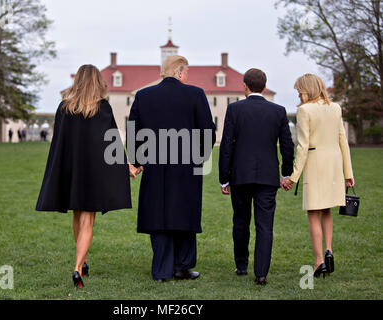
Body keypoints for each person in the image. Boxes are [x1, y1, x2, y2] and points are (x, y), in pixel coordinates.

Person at [35, 64, 138, 288]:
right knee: (87, 220)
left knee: (77, 216)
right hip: (93, 174)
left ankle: (83, 262)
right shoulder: (103, 109)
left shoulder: (64, 108)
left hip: (72, 172)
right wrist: (126, 166)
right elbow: (112, 144)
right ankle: (77, 267)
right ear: (97, 82)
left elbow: (58, 146)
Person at [128, 55, 216, 282]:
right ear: (179, 71)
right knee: (185, 212)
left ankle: (161, 270)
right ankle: (182, 266)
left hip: (155, 164)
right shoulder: (195, 94)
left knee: (158, 212)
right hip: (187, 165)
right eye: (186, 72)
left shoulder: (143, 96)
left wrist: (137, 161)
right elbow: (208, 131)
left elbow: (134, 132)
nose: (188, 76)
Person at [219, 68, 294, 286]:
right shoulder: (279, 111)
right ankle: (261, 273)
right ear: (264, 86)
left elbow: (226, 146)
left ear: (245, 86)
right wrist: (286, 172)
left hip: (240, 175)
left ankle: (241, 265)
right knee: (264, 225)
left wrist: (224, 178)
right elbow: (287, 145)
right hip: (268, 176)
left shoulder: (234, 109)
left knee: (240, 221)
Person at [281, 74, 354, 279]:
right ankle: (329, 249)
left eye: (299, 90)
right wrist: (349, 173)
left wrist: (293, 177)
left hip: (315, 165)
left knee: (313, 214)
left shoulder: (305, 110)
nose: (298, 94)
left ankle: (318, 261)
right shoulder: (336, 107)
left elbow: (303, 146)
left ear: (308, 89)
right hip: (334, 166)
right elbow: (343, 141)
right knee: (327, 211)